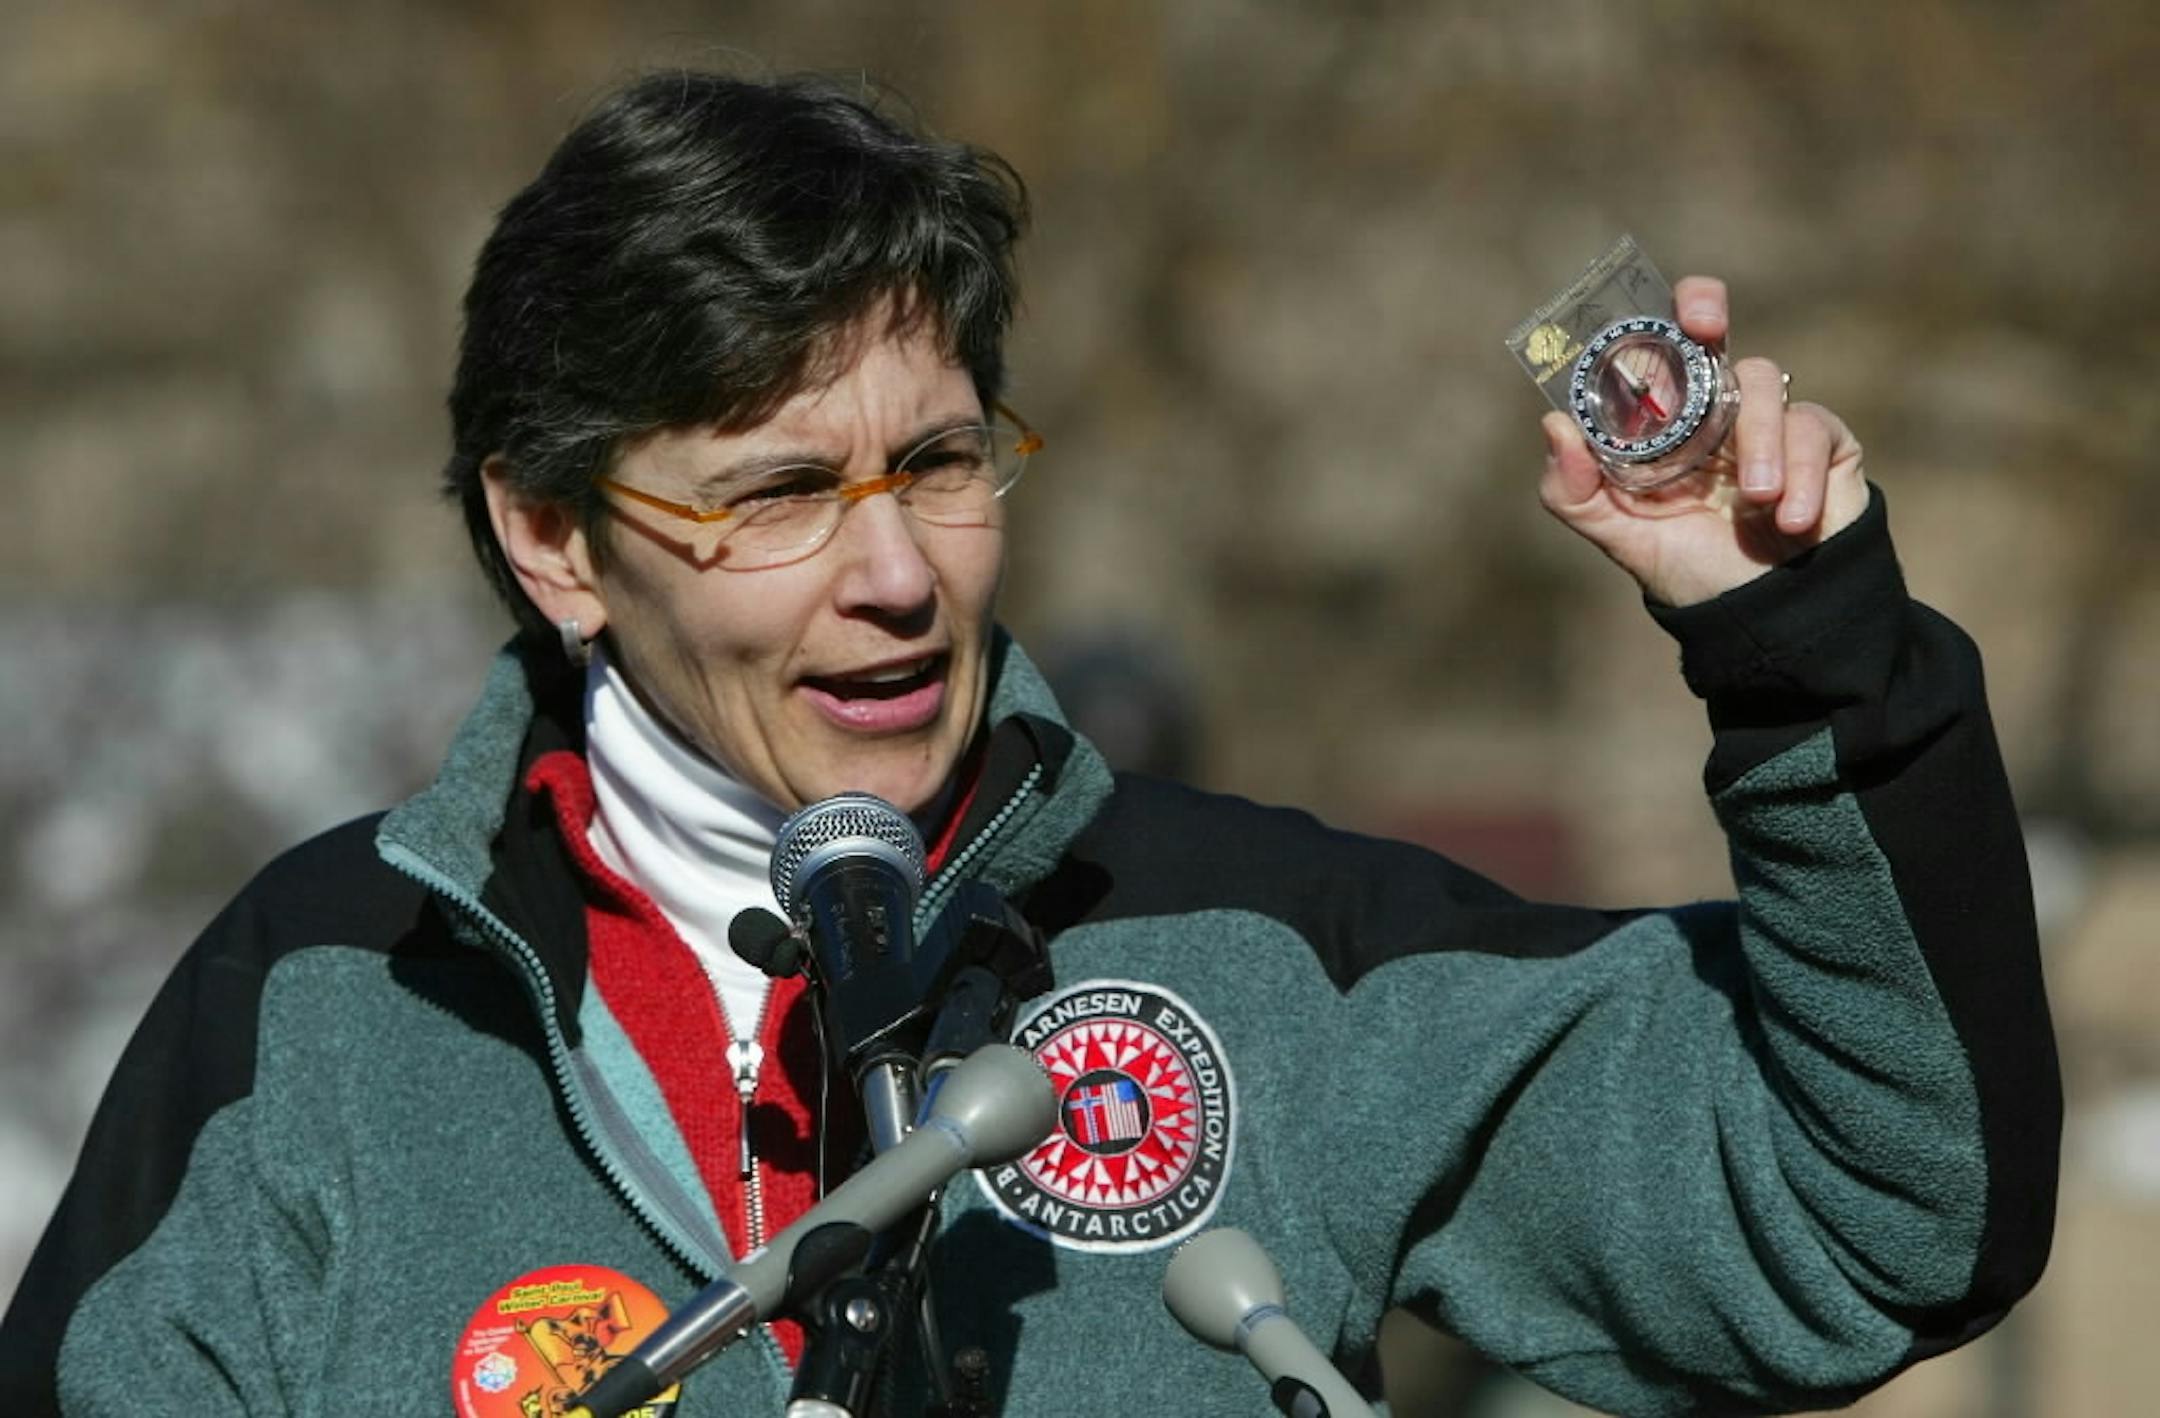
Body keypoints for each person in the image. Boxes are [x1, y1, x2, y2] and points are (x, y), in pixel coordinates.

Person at [0, 71, 2058, 1417]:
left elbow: (1881, 1213)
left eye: (944, 461)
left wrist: (1802, 652)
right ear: (555, 539)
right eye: (780, 491)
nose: (896, 573)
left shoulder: (1273, 951)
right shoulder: (324, 1011)